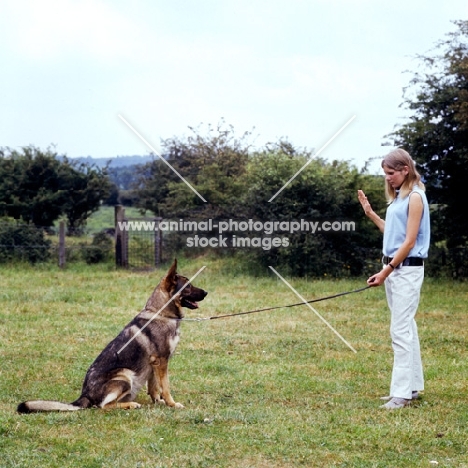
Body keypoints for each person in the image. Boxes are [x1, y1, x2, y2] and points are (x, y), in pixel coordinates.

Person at [358, 148, 430, 410]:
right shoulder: (399, 198)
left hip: (406, 270)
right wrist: (371, 214)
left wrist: (386, 271)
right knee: (406, 327)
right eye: (385, 174)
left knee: (399, 330)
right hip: (394, 269)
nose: (387, 178)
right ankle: (410, 387)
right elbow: (394, 235)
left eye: (390, 173)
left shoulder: (415, 197)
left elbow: (410, 242)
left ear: (405, 170)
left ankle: (401, 394)